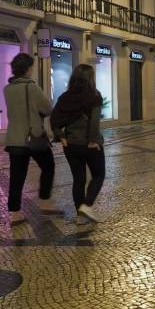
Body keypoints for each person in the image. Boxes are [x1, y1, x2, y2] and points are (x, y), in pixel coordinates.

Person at [4, 53, 59, 222]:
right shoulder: (31, 87)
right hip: (33, 137)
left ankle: (14, 213)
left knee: (16, 176)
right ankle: (44, 201)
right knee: (48, 166)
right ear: (28, 68)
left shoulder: (7, 89)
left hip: (14, 138)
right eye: (31, 67)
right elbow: (47, 108)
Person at [51, 64, 105, 223]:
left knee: (78, 179)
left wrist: (61, 136)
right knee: (99, 175)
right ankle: (86, 206)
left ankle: (80, 216)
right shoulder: (94, 96)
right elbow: (95, 122)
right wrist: (93, 140)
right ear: (90, 79)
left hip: (71, 145)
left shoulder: (65, 97)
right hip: (89, 145)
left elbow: (54, 118)